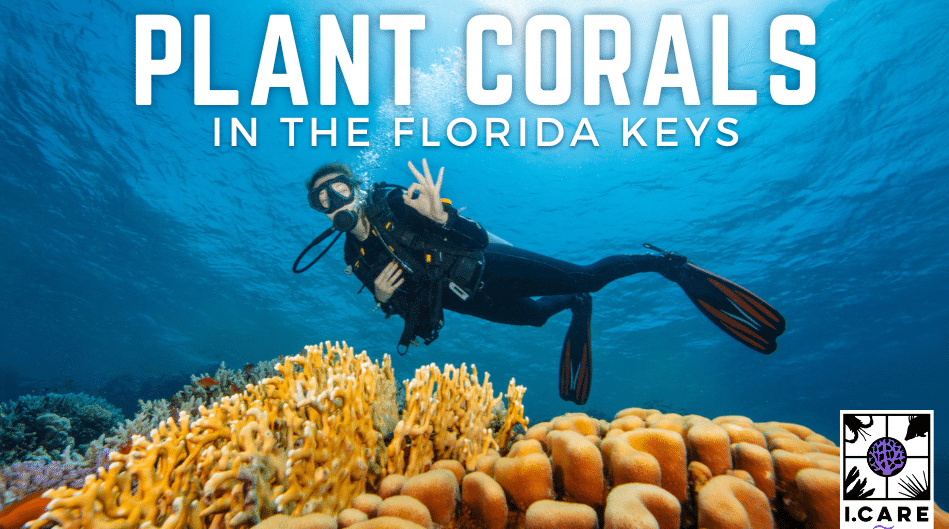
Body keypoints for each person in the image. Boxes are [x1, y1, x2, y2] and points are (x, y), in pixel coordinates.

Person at [295, 159, 786, 405]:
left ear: (355, 187)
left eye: (339, 189)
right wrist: (385, 301)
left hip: (489, 265)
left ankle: (668, 266)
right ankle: (575, 304)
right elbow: (411, 313)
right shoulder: (353, 257)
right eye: (322, 200)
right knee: (534, 319)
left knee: (588, 276)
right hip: (467, 300)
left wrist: (441, 218)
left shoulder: (395, 202)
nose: (334, 202)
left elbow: (475, 237)